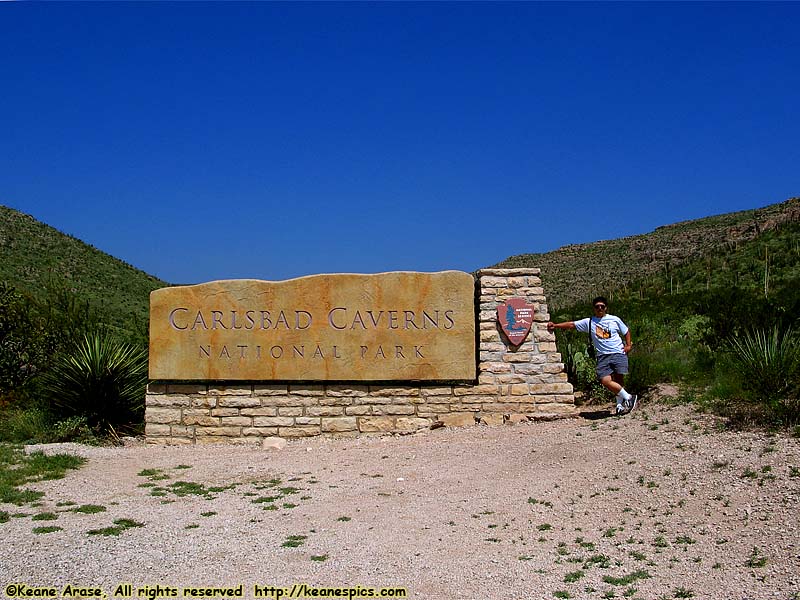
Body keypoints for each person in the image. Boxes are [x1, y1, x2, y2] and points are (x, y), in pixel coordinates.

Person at [547, 296, 638, 415]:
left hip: (618, 352)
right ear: (594, 308)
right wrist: (556, 326)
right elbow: (572, 325)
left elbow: (626, 331)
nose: (600, 308)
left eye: (602, 306)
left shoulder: (614, 319)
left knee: (619, 379)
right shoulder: (589, 322)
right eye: (597, 307)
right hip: (602, 355)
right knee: (605, 380)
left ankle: (619, 406)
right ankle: (629, 397)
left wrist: (628, 345)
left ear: (606, 308)